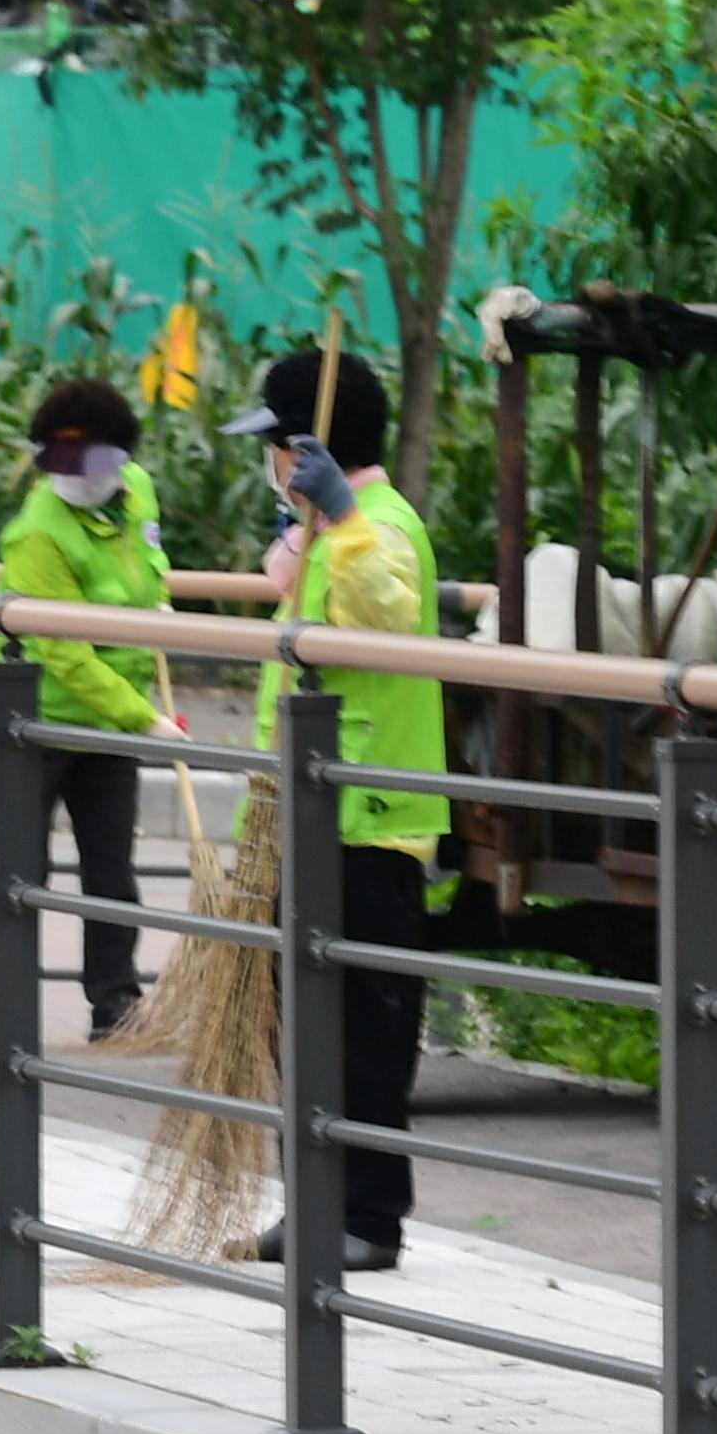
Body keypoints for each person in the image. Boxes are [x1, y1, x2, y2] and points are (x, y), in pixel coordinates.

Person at [224, 349, 450, 1272]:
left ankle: (368, 1220)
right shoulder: (324, 527)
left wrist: (345, 518)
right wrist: (314, 521)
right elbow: (292, 586)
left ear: (307, 447)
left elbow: (382, 613)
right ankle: (313, 1205)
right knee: (302, 1027)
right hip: (312, 816)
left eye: (276, 447)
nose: (271, 464)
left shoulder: (382, 527)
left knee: (367, 1034)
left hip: (374, 819)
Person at [0, 375, 185, 1045]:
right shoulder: (36, 533)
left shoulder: (137, 488)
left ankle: (114, 1003)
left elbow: (148, 557)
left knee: (112, 870)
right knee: (21, 867)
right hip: (37, 717)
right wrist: (142, 717)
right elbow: (65, 651)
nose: (77, 477)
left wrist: (159, 605)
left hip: (111, 717)